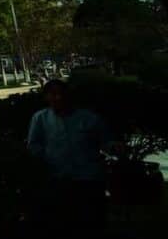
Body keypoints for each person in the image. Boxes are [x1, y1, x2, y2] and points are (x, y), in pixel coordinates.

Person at [27, 79, 114, 231]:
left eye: (61, 94)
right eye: (53, 94)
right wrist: (47, 159)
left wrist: (113, 148)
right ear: (46, 97)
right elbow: (33, 144)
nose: (58, 98)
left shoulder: (89, 119)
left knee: (92, 220)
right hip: (57, 177)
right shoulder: (40, 118)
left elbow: (105, 142)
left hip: (88, 178)